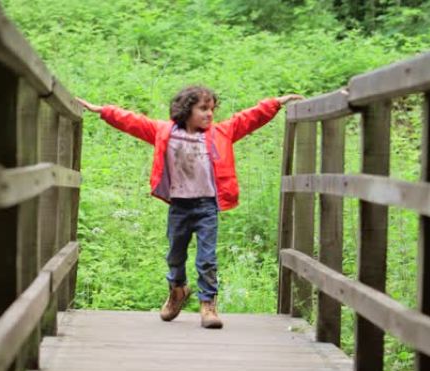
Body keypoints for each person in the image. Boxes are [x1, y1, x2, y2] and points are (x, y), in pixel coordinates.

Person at [77, 87, 303, 329]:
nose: (209, 114)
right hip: (179, 206)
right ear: (186, 110)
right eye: (203, 109)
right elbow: (133, 122)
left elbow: (248, 119)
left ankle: (208, 304)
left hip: (207, 206)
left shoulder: (220, 133)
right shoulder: (164, 132)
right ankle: (178, 290)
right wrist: (103, 110)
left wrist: (276, 102)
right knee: (175, 256)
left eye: (212, 110)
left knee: (207, 259)